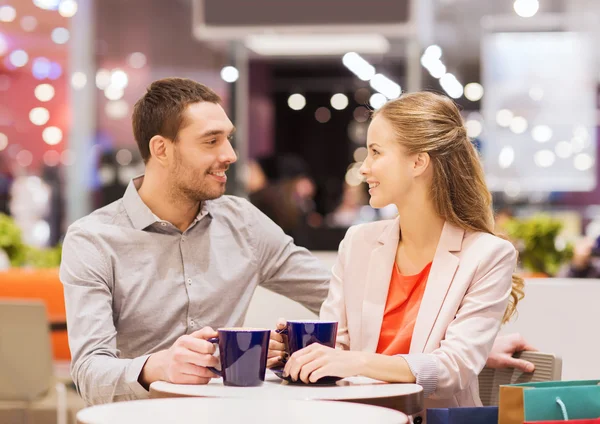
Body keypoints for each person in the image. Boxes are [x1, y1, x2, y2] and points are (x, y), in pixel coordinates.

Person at [59, 78, 331, 405]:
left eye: (228, 139)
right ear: (161, 149)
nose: (230, 155)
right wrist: (156, 367)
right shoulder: (93, 240)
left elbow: (339, 297)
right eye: (211, 141)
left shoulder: (243, 222)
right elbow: (89, 374)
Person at [275, 92, 526, 408]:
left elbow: (453, 369)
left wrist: (357, 362)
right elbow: (336, 344)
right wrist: (294, 350)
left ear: (419, 161)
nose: (364, 168)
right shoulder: (359, 243)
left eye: (376, 153)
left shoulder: (488, 255)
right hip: (359, 415)